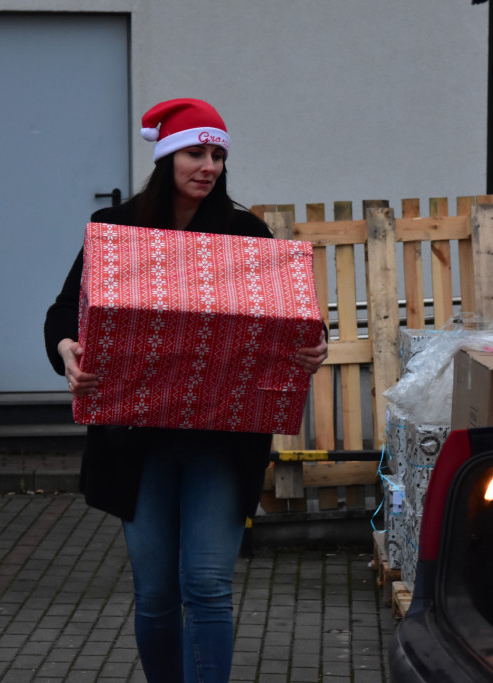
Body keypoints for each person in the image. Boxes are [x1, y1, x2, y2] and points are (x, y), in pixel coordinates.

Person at [43, 98, 328, 683]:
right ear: (167, 155)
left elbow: (286, 318)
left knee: (207, 586)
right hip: (134, 441)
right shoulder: (116, 230)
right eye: (197, 152)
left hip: (220, 444)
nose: (209, 165)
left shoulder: (245, 233)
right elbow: (62, 313)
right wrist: (66, 349)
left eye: (218, 155)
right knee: (155, 593)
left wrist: (312, 347)